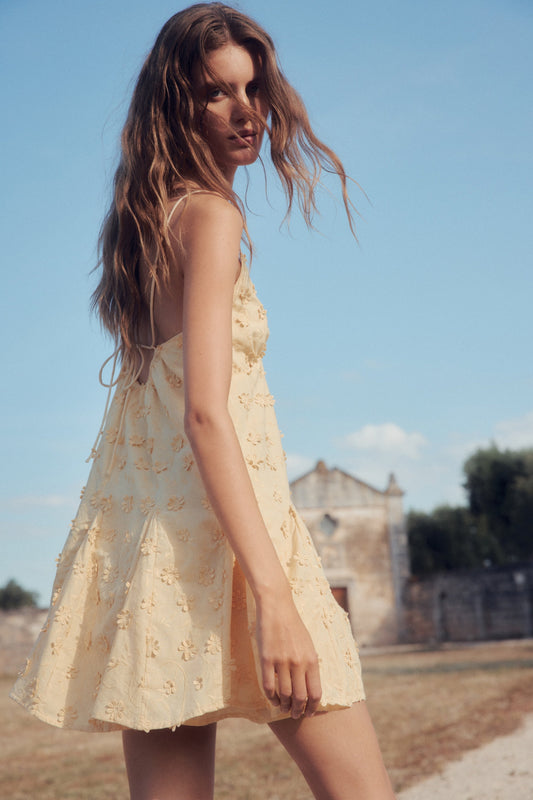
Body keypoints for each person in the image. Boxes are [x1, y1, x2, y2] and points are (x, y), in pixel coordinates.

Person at [11, 4, 396, 799]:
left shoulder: (147, 228)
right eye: (216, 93)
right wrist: (275, 597)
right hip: (237, 541)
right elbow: (205, 414)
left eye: (252, 88)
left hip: (154, 549)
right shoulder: (211, 218)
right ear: (174, 104)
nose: (245, 111)